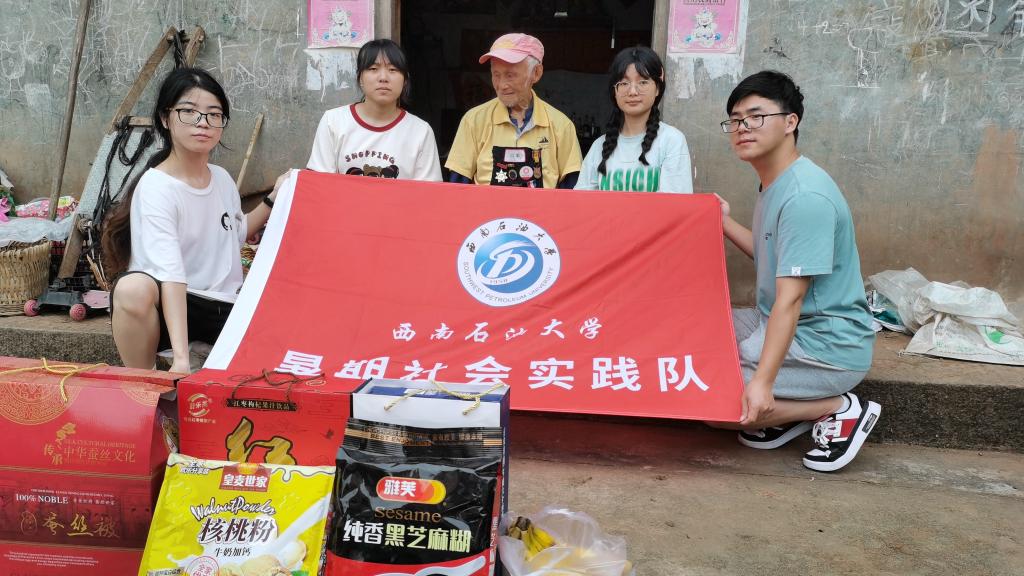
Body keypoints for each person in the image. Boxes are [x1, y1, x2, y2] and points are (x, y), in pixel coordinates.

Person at [714, 70, 880, 472]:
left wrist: (763, 383)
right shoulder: (776, 182)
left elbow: (790, 299)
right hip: (781, 322)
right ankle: (785, 415)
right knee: (698, 337)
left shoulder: (805, 196)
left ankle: (837, 407)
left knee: (709, 394)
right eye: (735, 120)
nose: (743, 127)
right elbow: (771, 255)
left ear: (791, 122)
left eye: (756, 116)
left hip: (825, 345)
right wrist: (721, 221)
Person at [102, 67, 280, 374]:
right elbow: (171, 275)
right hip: (175, 304)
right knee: (131, 289)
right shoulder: (157, 187)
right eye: (189, 112)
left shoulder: (221, 178)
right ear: (165, 118)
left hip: (225, 307)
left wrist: (274, 198)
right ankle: (145, 382)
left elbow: (235, 234)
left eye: (214, 114)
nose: (203, 122)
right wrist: (181, 360)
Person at [446, 33, 582, 189]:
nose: (502, 85)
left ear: (536, 73)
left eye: (510, 75)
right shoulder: (473, 121)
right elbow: (457, 189)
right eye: (496, 75)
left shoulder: (561, 126)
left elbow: (572, 192)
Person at [307, 39, 441, 180]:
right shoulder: (333, 122)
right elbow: (319, 184)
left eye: (393, 70)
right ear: (360, 78)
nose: (383, 78)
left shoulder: (421, 131)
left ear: (405, 80)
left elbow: (428, 191)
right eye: (373, 69)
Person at [576, 46, 692, 194]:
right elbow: (581, 202)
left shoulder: (671, 141)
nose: (632, 92)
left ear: (657, 88)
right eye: (624, 83)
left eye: (642, 82)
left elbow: (676, 204)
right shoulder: (598, 147)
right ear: (615, 91)